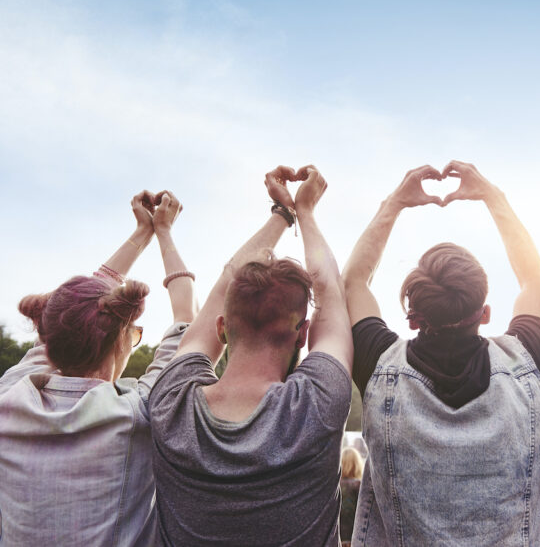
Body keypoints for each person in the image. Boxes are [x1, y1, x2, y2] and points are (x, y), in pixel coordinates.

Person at [342, 162, 540, 546]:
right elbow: (536, 281)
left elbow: (354, 281)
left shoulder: (381, 367)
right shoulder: (526, 364)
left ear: (414, 319)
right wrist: (493, 196)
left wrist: (394, 203)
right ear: (485, 314)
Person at [148, 166, 353, 546]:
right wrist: (306, 212)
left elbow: (222, 287)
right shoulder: (318, 404)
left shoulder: (169, 401)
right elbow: (331, 293)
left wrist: (282, 216)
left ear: (223, 328)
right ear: (303, 335)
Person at [0, 190, 195, 546]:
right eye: (133, 334)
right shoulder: (138, 412)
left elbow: (70, 311)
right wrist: (163, 231)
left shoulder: (9, 396)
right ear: (118, 343)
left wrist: (141, 233)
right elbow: (187, 322)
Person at [340, 447, 364, 547]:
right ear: (357, 464)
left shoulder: (334, 487)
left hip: (336, 538)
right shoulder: (360, 486)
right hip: (356, 538)